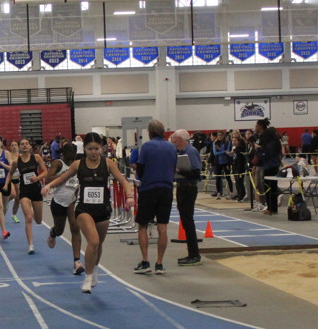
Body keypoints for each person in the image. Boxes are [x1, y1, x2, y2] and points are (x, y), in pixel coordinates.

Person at [43, 132, 134, 293]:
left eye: (96, 149)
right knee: (93, 241)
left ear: (102, 148)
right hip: (84, 209)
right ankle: (87, 277)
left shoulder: (108, 164)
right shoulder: (78, 164)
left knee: (98, 244)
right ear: (84, 149)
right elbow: (63, 178)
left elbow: (123, 181)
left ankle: (95, 269)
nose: (93, 152)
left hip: (103, 209)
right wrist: (48, 186)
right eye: (90, 149)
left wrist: (129, 196)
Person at [132, 120, 177, 274]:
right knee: (162, 227)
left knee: (143, 225)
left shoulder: (147, 146)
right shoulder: (171, 147)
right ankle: (159, 263)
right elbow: (174, 167)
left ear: (150, 133)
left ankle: (145, 261)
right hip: (166, 188)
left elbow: (140, 168)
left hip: (148, 188)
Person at [39, 141, 84, 275]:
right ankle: (53, 233)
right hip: (58, 201)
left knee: (75, 228)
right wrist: (66, 174)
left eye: (73, 153)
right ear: (63, 153)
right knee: (59, 230)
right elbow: (48, 180)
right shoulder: (58, 163)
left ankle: (77, 262)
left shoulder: (78, 164)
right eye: (69, 153)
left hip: (72, 200)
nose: (71, 156)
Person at [3, 138, 46, 254]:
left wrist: (37, 178)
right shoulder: (17, 161)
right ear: (19, 147)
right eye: (22, 144)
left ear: (30, 146)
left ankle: (33, 212)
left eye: (26, 144)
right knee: (28, 218)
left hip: (36, 190)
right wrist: (6, 184)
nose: (25, 145)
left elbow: (45, 171)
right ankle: (30, 245)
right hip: (24, 192)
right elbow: (10, 173)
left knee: (38, 220)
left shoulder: (36, 157)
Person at [171, 130, 203, 266]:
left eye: (174, 138)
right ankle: (192, 253)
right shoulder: (179, 152)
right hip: (182, 187)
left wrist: (179, 170)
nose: (172, 141)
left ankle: (194, 254)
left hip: (189, 188)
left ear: (181, 139)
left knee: (188, 221)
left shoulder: (191, 151)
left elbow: (196, 173)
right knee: (185, 220)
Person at [259, 126, 283, 215]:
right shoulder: (277, 143)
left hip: (269, 167)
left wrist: (260, 151)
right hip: (275, 166)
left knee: (268, 188)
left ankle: (270, 208)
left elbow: (266, 155)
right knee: (273, 187)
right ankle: (273, 208)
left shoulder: (270, 144)